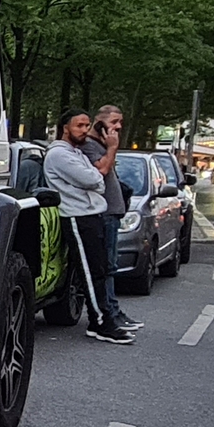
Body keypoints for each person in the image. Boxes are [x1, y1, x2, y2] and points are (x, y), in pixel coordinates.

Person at [44, 108, 132, 345]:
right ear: (65, 128)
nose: (84, 130)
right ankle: (102, 322)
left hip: (91, 215)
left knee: (100, 271)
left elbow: (99, 182)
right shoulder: (60, 155)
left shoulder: (75, 152)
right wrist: (111, 148)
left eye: (86, 125)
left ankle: (100, 320)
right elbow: (95, 179)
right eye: (79, 126)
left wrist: (96, 178)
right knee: (91, 272)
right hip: (77, 217)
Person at [79, 105, 143, 332]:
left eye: (120, 122)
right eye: (114, 122)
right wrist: (112, 148)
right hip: (103, 214)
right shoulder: (90, 146)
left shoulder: (100, 146)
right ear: (100, 122)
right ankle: (106, 313)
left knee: (110, 266)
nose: (118, 127)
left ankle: (113, 310)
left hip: (111, 214)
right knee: (105, 266)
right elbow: (101, 171)